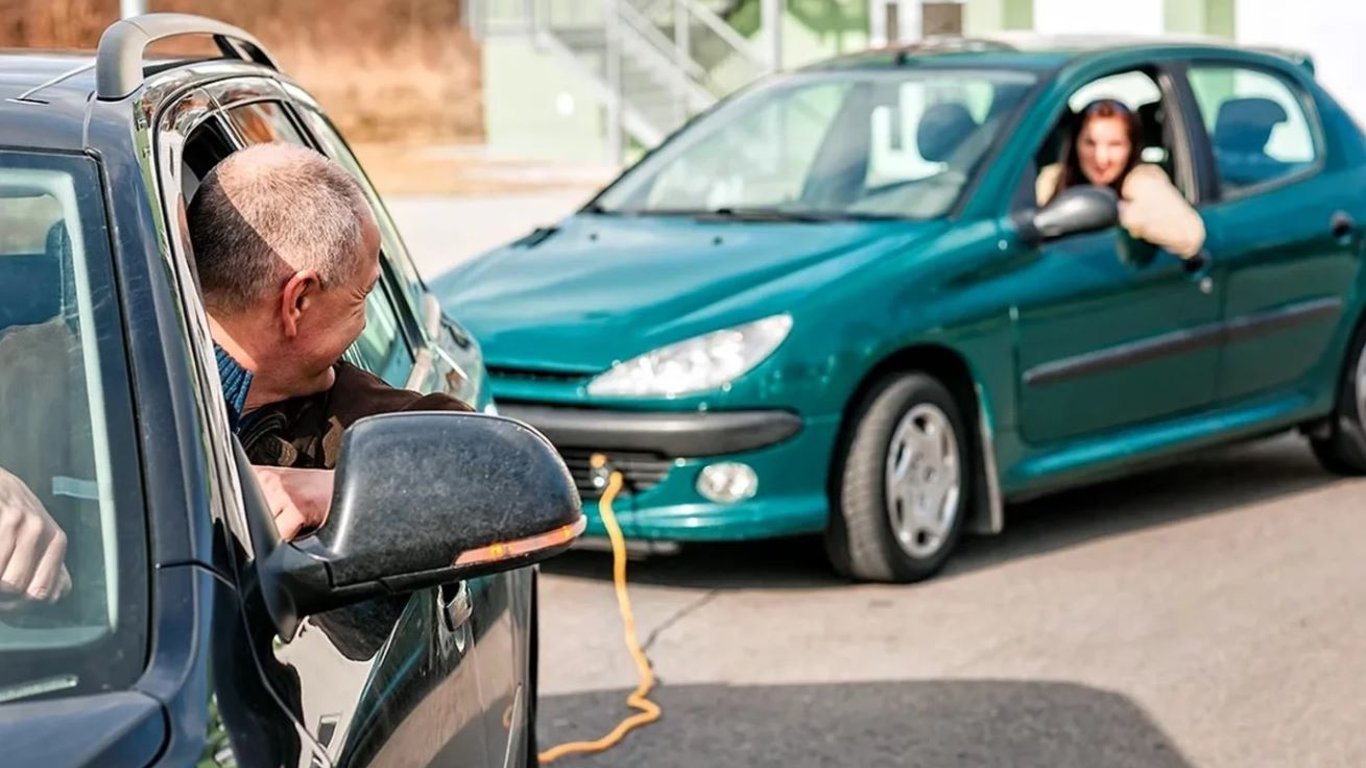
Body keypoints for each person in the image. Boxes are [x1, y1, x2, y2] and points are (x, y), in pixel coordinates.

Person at [186, 142, 472, 538]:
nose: (365, 324)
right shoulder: (82, 400)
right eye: (361, 297)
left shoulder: (353, 415)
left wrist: (340, 490)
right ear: (297, 301)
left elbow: (500, 472)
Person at [1036, 98, 1206, 259]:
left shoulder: (1141, 181)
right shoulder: (1053, 179)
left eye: (1115, 145)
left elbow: (1190, 236)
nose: (1101, 158)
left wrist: (1122, 212)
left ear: (1131, 148)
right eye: (1090, 143)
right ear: (1075, 143)